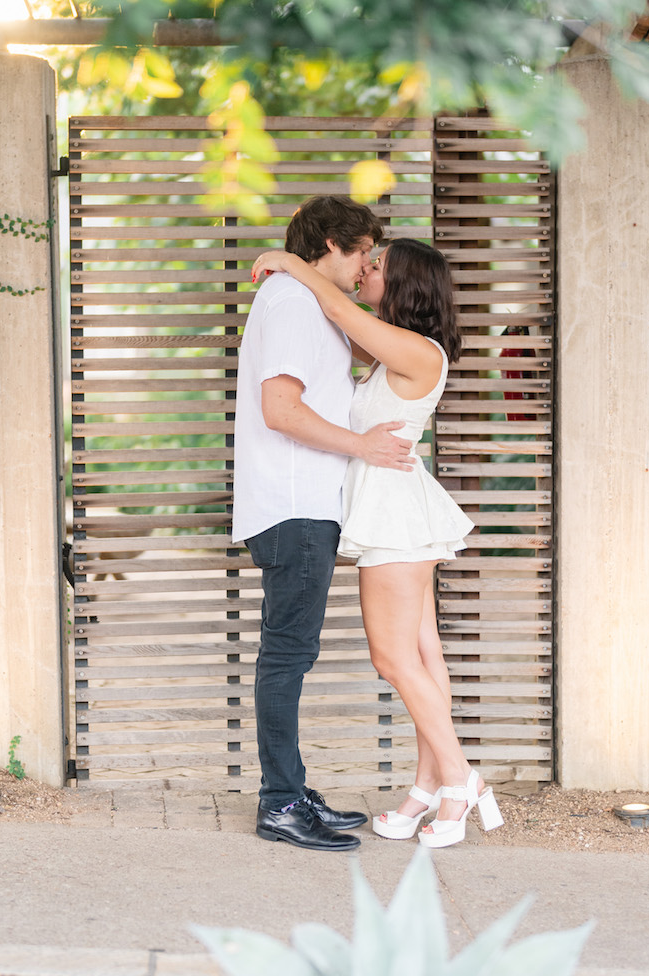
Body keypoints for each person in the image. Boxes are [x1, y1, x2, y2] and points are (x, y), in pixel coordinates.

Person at [250, 237, 504, 849]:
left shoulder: (419, 351)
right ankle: (427, 791)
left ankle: (461, 779)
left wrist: (293, 264)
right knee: (423, 659)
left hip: (396, 517)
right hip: (398, 512)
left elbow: (340, 312)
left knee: (392, 660)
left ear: (407, 281)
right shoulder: (395, 351)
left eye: (379, 264)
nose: (366, 268)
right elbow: (335, 329)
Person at [232, 195, 416, 851]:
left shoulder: (305, 302)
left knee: (292, 654)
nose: (368, 261)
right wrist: (363, 446)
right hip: (292, 506)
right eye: (363, 249)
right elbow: (280, 410)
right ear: (331, 245)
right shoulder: (288, 302)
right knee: (286, 657)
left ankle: (291, 789)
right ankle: (279, 803)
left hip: (305, 506)